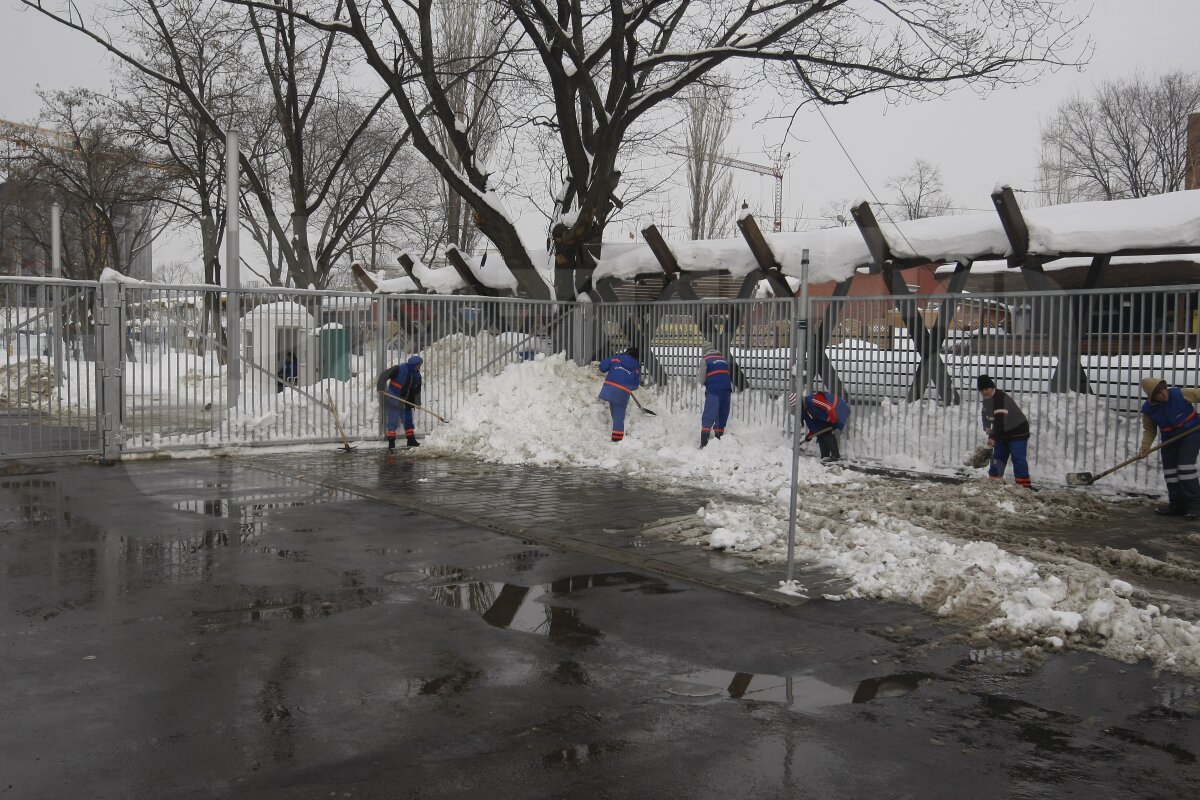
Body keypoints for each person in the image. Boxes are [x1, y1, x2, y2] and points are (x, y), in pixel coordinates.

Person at [1137, 376, 1200, 517]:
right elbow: (1150, 430)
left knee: (1185, 468)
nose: (1164, 394)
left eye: (1164, 389)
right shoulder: (1148, 410)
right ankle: (1176, 505)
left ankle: (1194, 505)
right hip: (1170, 439)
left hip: (1191, 433)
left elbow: (1198, 394)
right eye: (1159, 393)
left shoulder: (1179, 393)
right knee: (1170, 472)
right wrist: (1145, 447)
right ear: (1152, 397)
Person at [977, 374, 1031, 488]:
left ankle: (1024, 487)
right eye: (981, 390)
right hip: (1003, 433)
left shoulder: (1000, 399)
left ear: (992, 388)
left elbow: (1000, 422)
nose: (984, 392)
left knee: (1018, 458)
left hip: (1017, 432)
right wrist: (986, 426)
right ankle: (993, 485)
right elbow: (984, 413)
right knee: (998, 457)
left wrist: (992, 437)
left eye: (986, 389)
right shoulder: (987, 400)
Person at [598, 346, 641, 442]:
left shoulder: (615, 358)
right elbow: (635, 385)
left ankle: (616, 434)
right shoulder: (636, 368)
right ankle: (617, 439)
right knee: (619, 415)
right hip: (622, 393)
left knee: (615, 407)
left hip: (609, 389)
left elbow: (602, 367)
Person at [380, 354, 423, 449]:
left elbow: (417, 390)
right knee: (393, 420)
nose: (419, 367)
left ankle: (411, 440)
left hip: (407, 401)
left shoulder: (417, 375)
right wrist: (380, 387)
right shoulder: (399, 368)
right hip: (394, 398)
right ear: (414, 364)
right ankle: (391, 442)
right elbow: (384, 375)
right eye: (418, 365)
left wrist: (417, 402)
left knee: (408, 420)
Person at [799, 389, 850, 462]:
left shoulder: (813, 400)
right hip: (829, 415)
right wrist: (810, 435)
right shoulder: (807, 411)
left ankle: (835, 455)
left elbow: (828, 407)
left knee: (826, 432)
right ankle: (825, 456)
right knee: (820, 433)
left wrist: (834, 421)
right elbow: (814, 424)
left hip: (838, 408)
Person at [696, 345, 732, 448]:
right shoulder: (724, 360)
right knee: (722, 414)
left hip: (714, 390)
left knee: (709, 414)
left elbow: (701, 380)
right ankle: (719, 440)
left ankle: (704, 444)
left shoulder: (705, 360)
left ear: (705, 352)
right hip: (727, 390)